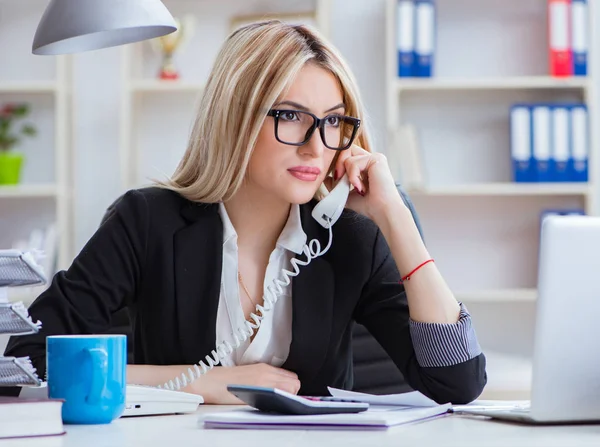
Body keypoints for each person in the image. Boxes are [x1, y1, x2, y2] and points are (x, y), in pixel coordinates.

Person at [5, 21, 486, 404]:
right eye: (290, 116)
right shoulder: (146, 222)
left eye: (334, 121)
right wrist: (206, 382)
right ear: (235, 119)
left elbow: (457, 384)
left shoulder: (351, 237)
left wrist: (396, 218)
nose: (317, 146)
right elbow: (28, 363)